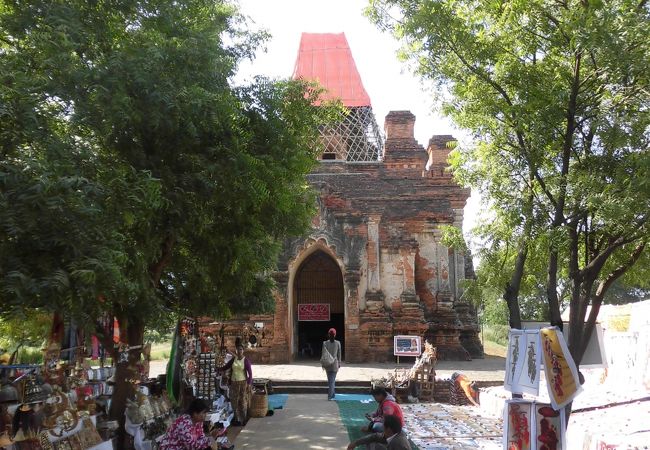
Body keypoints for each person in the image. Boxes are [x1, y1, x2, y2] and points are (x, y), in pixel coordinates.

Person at [219, 344, 253, 425]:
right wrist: (218, 368)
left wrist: (249, 383)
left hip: (243, 383)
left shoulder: (246, 360)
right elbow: (226, 366)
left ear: (243, 351)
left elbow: (250, 373)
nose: (239, 351)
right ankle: (236, 419)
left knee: (242, 401)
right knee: (234, 401)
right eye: (238, 350)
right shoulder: (233, 360)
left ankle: (243, 419)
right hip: (234, 383)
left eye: (241, 349)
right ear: (236, 351)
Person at [322, 328, 341, 400]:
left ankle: (331, 395)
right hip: (335, 364)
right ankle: (331, 395)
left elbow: (323, 354)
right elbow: (339, 354)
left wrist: (323, 364)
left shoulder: (325, 343)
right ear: (335, 335)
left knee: (330, 380)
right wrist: (339, 363)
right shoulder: (338, 343)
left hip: (327, 364)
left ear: (328, 335)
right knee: (332, 380)